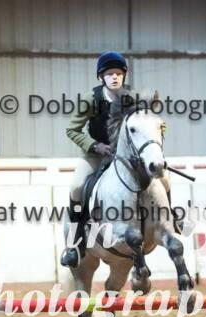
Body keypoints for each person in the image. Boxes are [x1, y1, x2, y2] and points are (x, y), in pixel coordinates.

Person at [61, 51, 131, 268]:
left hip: (124, 157)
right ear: (101, 77)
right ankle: (74, 244)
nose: (115, 77)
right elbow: (72, 130)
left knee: (159, 177)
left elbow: (145, 122)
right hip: (95, 155)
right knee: (76, 187)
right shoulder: (91, 99)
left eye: (118, 73)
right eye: (109, 74)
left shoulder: (131, 98)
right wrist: (95, 146)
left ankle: (170, 218)